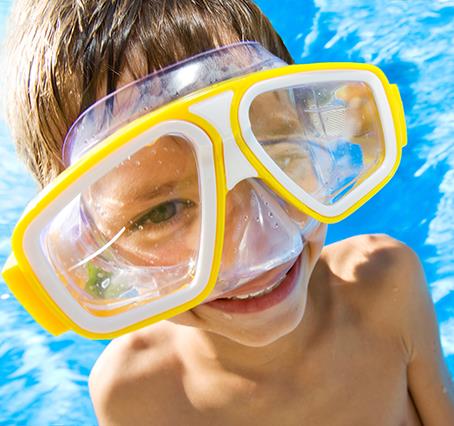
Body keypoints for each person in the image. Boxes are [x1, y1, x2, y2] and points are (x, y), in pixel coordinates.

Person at [2, 1, 454, 425]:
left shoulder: (386, 288)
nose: (261, 245)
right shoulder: (134, 393)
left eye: (275, 151)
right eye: (163, 211)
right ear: (94, 253)